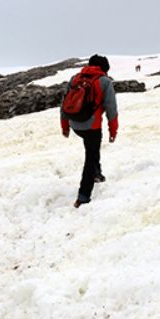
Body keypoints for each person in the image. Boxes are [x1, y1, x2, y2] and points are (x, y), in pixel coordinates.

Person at [60, 54, 118, 208]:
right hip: (91, 126)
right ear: (104, 69)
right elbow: (111, 109)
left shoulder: (75, 78)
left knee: (92, 147)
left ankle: (97, 173)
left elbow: (64, 103)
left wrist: (65, 126)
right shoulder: (104, 82)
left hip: (74, 123)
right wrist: (113, 131)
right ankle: (83, 196)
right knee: (90, 156)